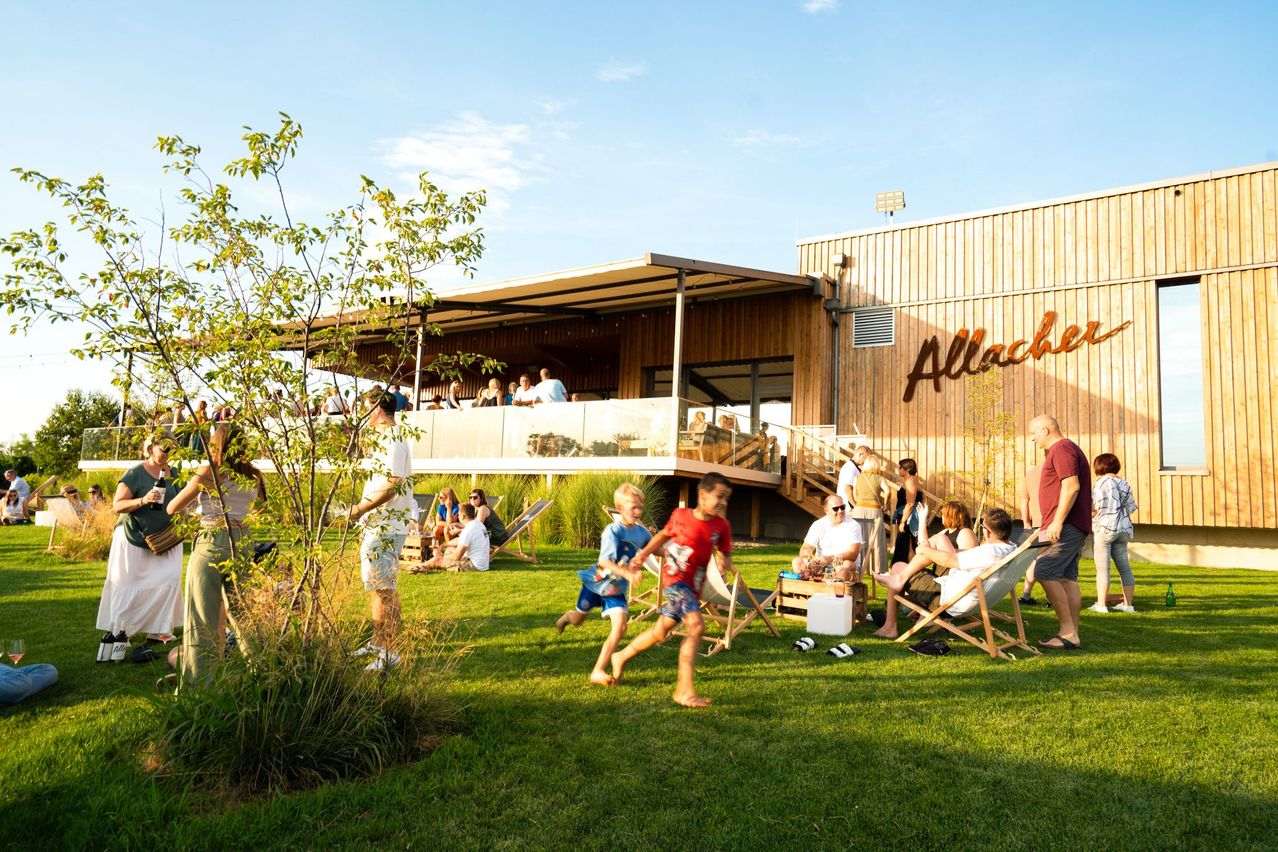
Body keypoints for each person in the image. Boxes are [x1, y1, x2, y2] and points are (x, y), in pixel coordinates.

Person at [609, 471, 733, 708]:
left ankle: (620, 656)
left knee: (659, 632)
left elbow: (726, 553)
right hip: (675, 581)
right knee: (697, 626)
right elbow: (663, 535)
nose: (724, 502)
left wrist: (723, 560)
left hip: (693, 589)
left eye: (727, 497)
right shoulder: (681, 516)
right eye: (720, 496)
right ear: (703, 494)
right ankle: (684, 690)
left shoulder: (721, 526)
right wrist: (643, 555)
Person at [166, 423, 267, 686]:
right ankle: (261, 678)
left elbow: (172, 508)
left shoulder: (211, 472)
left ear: (216, 444)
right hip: (242, 542)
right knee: (245, 614)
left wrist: (196, 516)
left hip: (211, 540)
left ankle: (199, 685)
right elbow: (262, 510)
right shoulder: (254, 475)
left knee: (202, 618)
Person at [555, 483, 652, 685]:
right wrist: (627, 573)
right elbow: (605, 561)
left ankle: (598, 670)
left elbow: (656, 548)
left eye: (640, 507)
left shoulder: (642, 533)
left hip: (615, 590)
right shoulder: (613, 530)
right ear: (620, 507)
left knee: (621, 627)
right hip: (595, 585)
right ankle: (568, 617)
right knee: (578, 621)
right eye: (633, 507)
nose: (637, 511)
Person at [873, 508, 1018, 638]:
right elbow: (963, 556)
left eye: (982, 527)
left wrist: (925, 549)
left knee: (898, 566)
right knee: (939, 540)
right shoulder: (1011, 549)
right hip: (969, 597)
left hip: (949, 600)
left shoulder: (990, 552)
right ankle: (899, 580)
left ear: (987, 532)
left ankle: (890, 627)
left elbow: (949, 561)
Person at [348, 391, 414, 672]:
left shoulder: (393, 438)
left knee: (386, 590)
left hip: (387, 526)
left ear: (377, 409)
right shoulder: (385, 439)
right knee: (378, 587)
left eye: (365, 408)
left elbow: (393, 483)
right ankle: (377, 643)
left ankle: (390, 651)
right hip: (378, 524)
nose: (363, 415)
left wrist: (360, 508)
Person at [96, 433, 183, 646]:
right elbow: (117, 505)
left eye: (171, 449)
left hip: (166, 538)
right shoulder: (135, 473)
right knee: (128, 583)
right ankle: (120, 632)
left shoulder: (175, 473)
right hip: (133, 537)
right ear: (151, 448)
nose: (168, 453)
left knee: (169, 580)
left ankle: (159, 630)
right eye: (164, 448)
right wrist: (143, 500)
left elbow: (182, 501)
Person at [1030, 414, 1091, 650]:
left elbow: (1071, 486)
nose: (1033, 439)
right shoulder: (1066, 449)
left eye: (1034, 434)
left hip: (1066, 525)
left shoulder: (1062, 449)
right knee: (1067, 578)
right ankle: (1071, 633)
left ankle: (1067, 631)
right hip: (1071, 524)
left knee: (1044, 569)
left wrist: (1057, 522)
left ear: (1046, 431)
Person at [1091, 452, 1138, 613]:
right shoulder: (1124, 483)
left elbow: (1096, 506)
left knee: (1103, 569)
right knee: (1125, 568)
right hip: (1123, 529)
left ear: (1099, 466)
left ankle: (1101, 605)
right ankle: (1128, 605)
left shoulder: (1101, 483)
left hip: (1104, 529)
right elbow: (1131, 507)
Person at [791, 493, 863, 582]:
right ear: (826, 510)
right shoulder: (818, 525)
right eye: (836, 508)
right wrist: (811, 559)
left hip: (842, 564)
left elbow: (853, 554)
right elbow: (805, 548)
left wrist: (830, 558)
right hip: (820, 566)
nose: (840, 511)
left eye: (843, 507)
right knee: (797, 561)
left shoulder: (853, 525)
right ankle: (805, 588)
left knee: (848, 564)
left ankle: (835, 588)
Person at [850, 456, 894, 577]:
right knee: (876, 540)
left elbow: (855, 494)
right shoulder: (880, 478)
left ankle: (858, 566)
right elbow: (888, 491)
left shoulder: (857, 477)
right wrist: (885, 504)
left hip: (859, 510)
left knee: (859, 538)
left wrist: (859, 502)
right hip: (874, 510)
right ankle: (876, 568)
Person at [426, 502, 490, 571]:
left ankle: (421, 566)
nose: (458, 516)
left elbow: (457, 557)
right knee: (449, 550)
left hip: (473, 565)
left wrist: (440, 557)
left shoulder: (468, 530)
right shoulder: (478, 524)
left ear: (463, 516)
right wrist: (443, 545)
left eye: (458, 514)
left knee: (437, 561)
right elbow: (459, 541)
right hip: (482, 563)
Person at [1017, 459, 1044, 605]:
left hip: (1036, 525)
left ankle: (1026, 594)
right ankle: (1052, 597)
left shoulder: (1029, 475)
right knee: (1052, 560)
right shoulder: (1052, 475)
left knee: (1034, 559)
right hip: (1051, 524)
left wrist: (1026, 523)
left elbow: (1024, 501)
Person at [890, 458, 924, 565]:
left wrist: (903, 522)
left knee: (906, 546)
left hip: (908, 518)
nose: (898, 469)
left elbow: (910, 504)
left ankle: (906, 569)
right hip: (908, 515)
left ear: (907, 469)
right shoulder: (912, 480)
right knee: (907, 545)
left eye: (900, 467)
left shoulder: (911, 481)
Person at [835, 444, 870, 510]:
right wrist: (855, 506)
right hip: (848, 508)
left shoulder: (853, 467)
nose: (866, 461)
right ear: (860, 455)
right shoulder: (850, 467)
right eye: (866, 458)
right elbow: (847, 488)